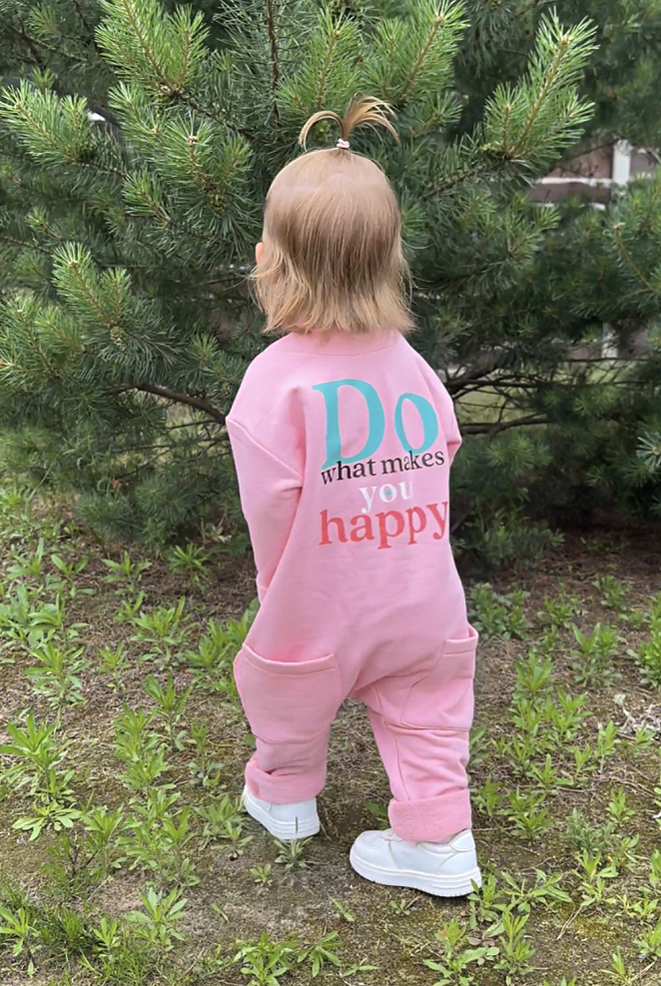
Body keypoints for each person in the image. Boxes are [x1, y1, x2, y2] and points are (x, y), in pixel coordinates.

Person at [226, 96, 481, 897]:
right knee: (427, 707)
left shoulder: (274, 382)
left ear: (268, 261)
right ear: (390, 259)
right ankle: (439, 841)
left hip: (320, 601)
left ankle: (285, 797)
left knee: (287, 694)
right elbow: (443, 452)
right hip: (420, 597)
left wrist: (280, 589)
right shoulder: (411, 366)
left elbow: (270, 508)